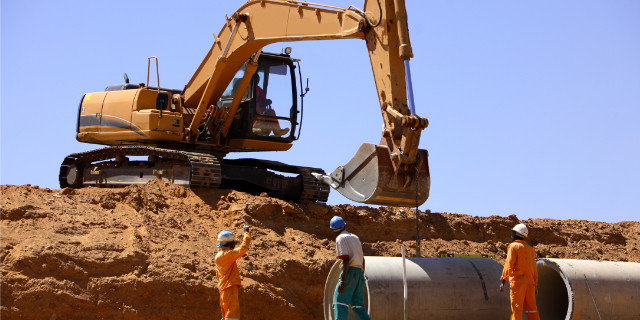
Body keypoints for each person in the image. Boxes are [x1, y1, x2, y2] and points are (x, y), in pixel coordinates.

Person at [329, 216, 371, 320]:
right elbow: (363, 259)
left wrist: (343, 281)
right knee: (358, 306)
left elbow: (346, 259)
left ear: (333, 229)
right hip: (360, 272)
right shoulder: (355, 237)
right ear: (344, 226)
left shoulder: (340, 238)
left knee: (339, 302)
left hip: (350, 272)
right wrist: (361, 275)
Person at [500, 223, 540, 320]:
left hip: (518, 283)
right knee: (532, 311)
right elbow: (534, 268)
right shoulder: (530, 249)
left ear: (515, 234)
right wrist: (535, 285)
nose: (511, 235)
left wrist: (503, 280)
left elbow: (509, 264)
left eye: (512, 233)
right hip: (530, 284)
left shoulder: (514, 246)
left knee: (516, 310)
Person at [215, 225, 252, 320]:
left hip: (224, 289)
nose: (234, 244)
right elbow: (243, 248)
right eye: (232, 242)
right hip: (229, 288)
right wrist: (246, 232)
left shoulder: (220, 255)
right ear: (228, 243)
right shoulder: (227, 255)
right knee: (232, 316)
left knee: (226, 316)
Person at [252, 73, 289, 137]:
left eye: (258, 79)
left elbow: (263, 99)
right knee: (256, 106)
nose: (257, 81)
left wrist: (267, 101)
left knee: (271, 111)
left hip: (260, 112)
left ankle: (277, 131)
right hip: (249, 111)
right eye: (256, 79)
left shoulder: (259, 89)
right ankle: (255, 127)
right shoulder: (246, 88)